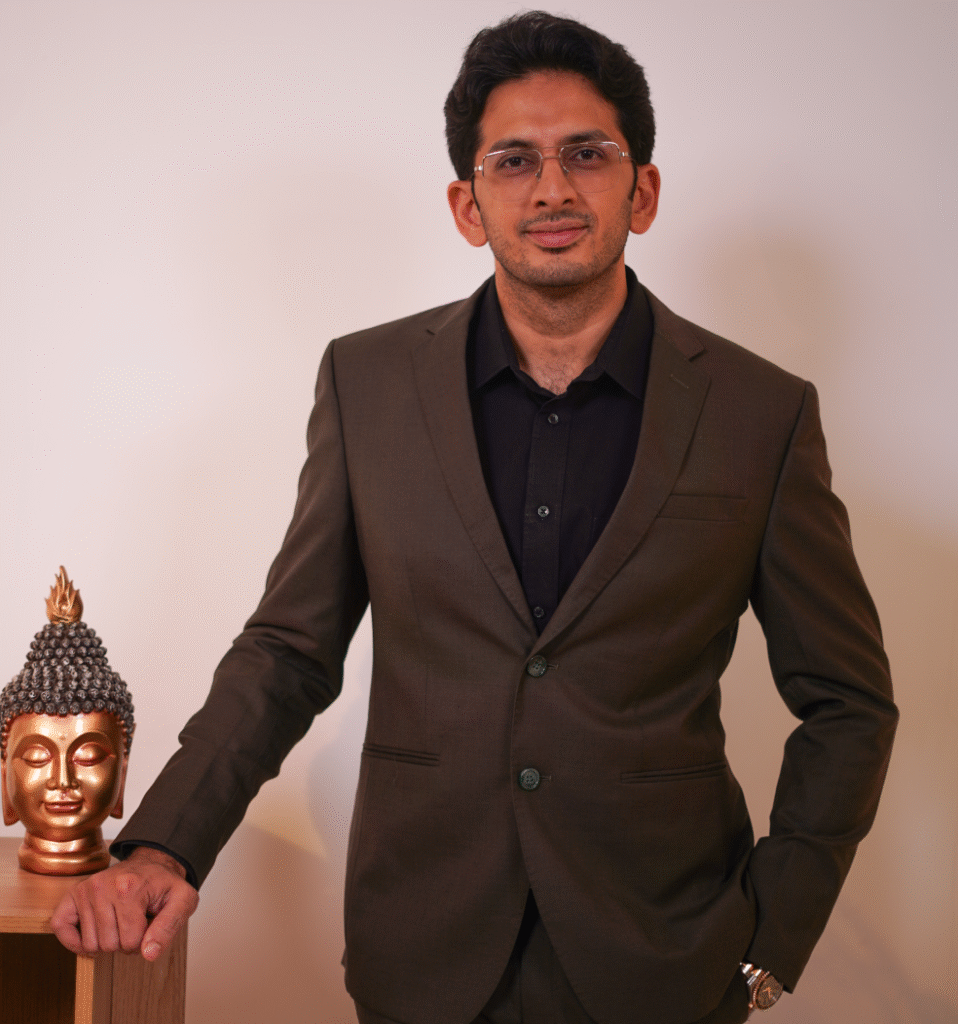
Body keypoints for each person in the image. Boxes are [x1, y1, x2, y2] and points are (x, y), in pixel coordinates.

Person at [50, 12, 897, 1024]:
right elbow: (288, 652)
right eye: (515, 160)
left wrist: (770, 943)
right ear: (467, 203)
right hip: (423, 951)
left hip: (665, 961)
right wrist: (163, 845)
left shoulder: (761, 412)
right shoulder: (366, 383)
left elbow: (848, 701)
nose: (552, 188)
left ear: (643, 190)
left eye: (587, 153)